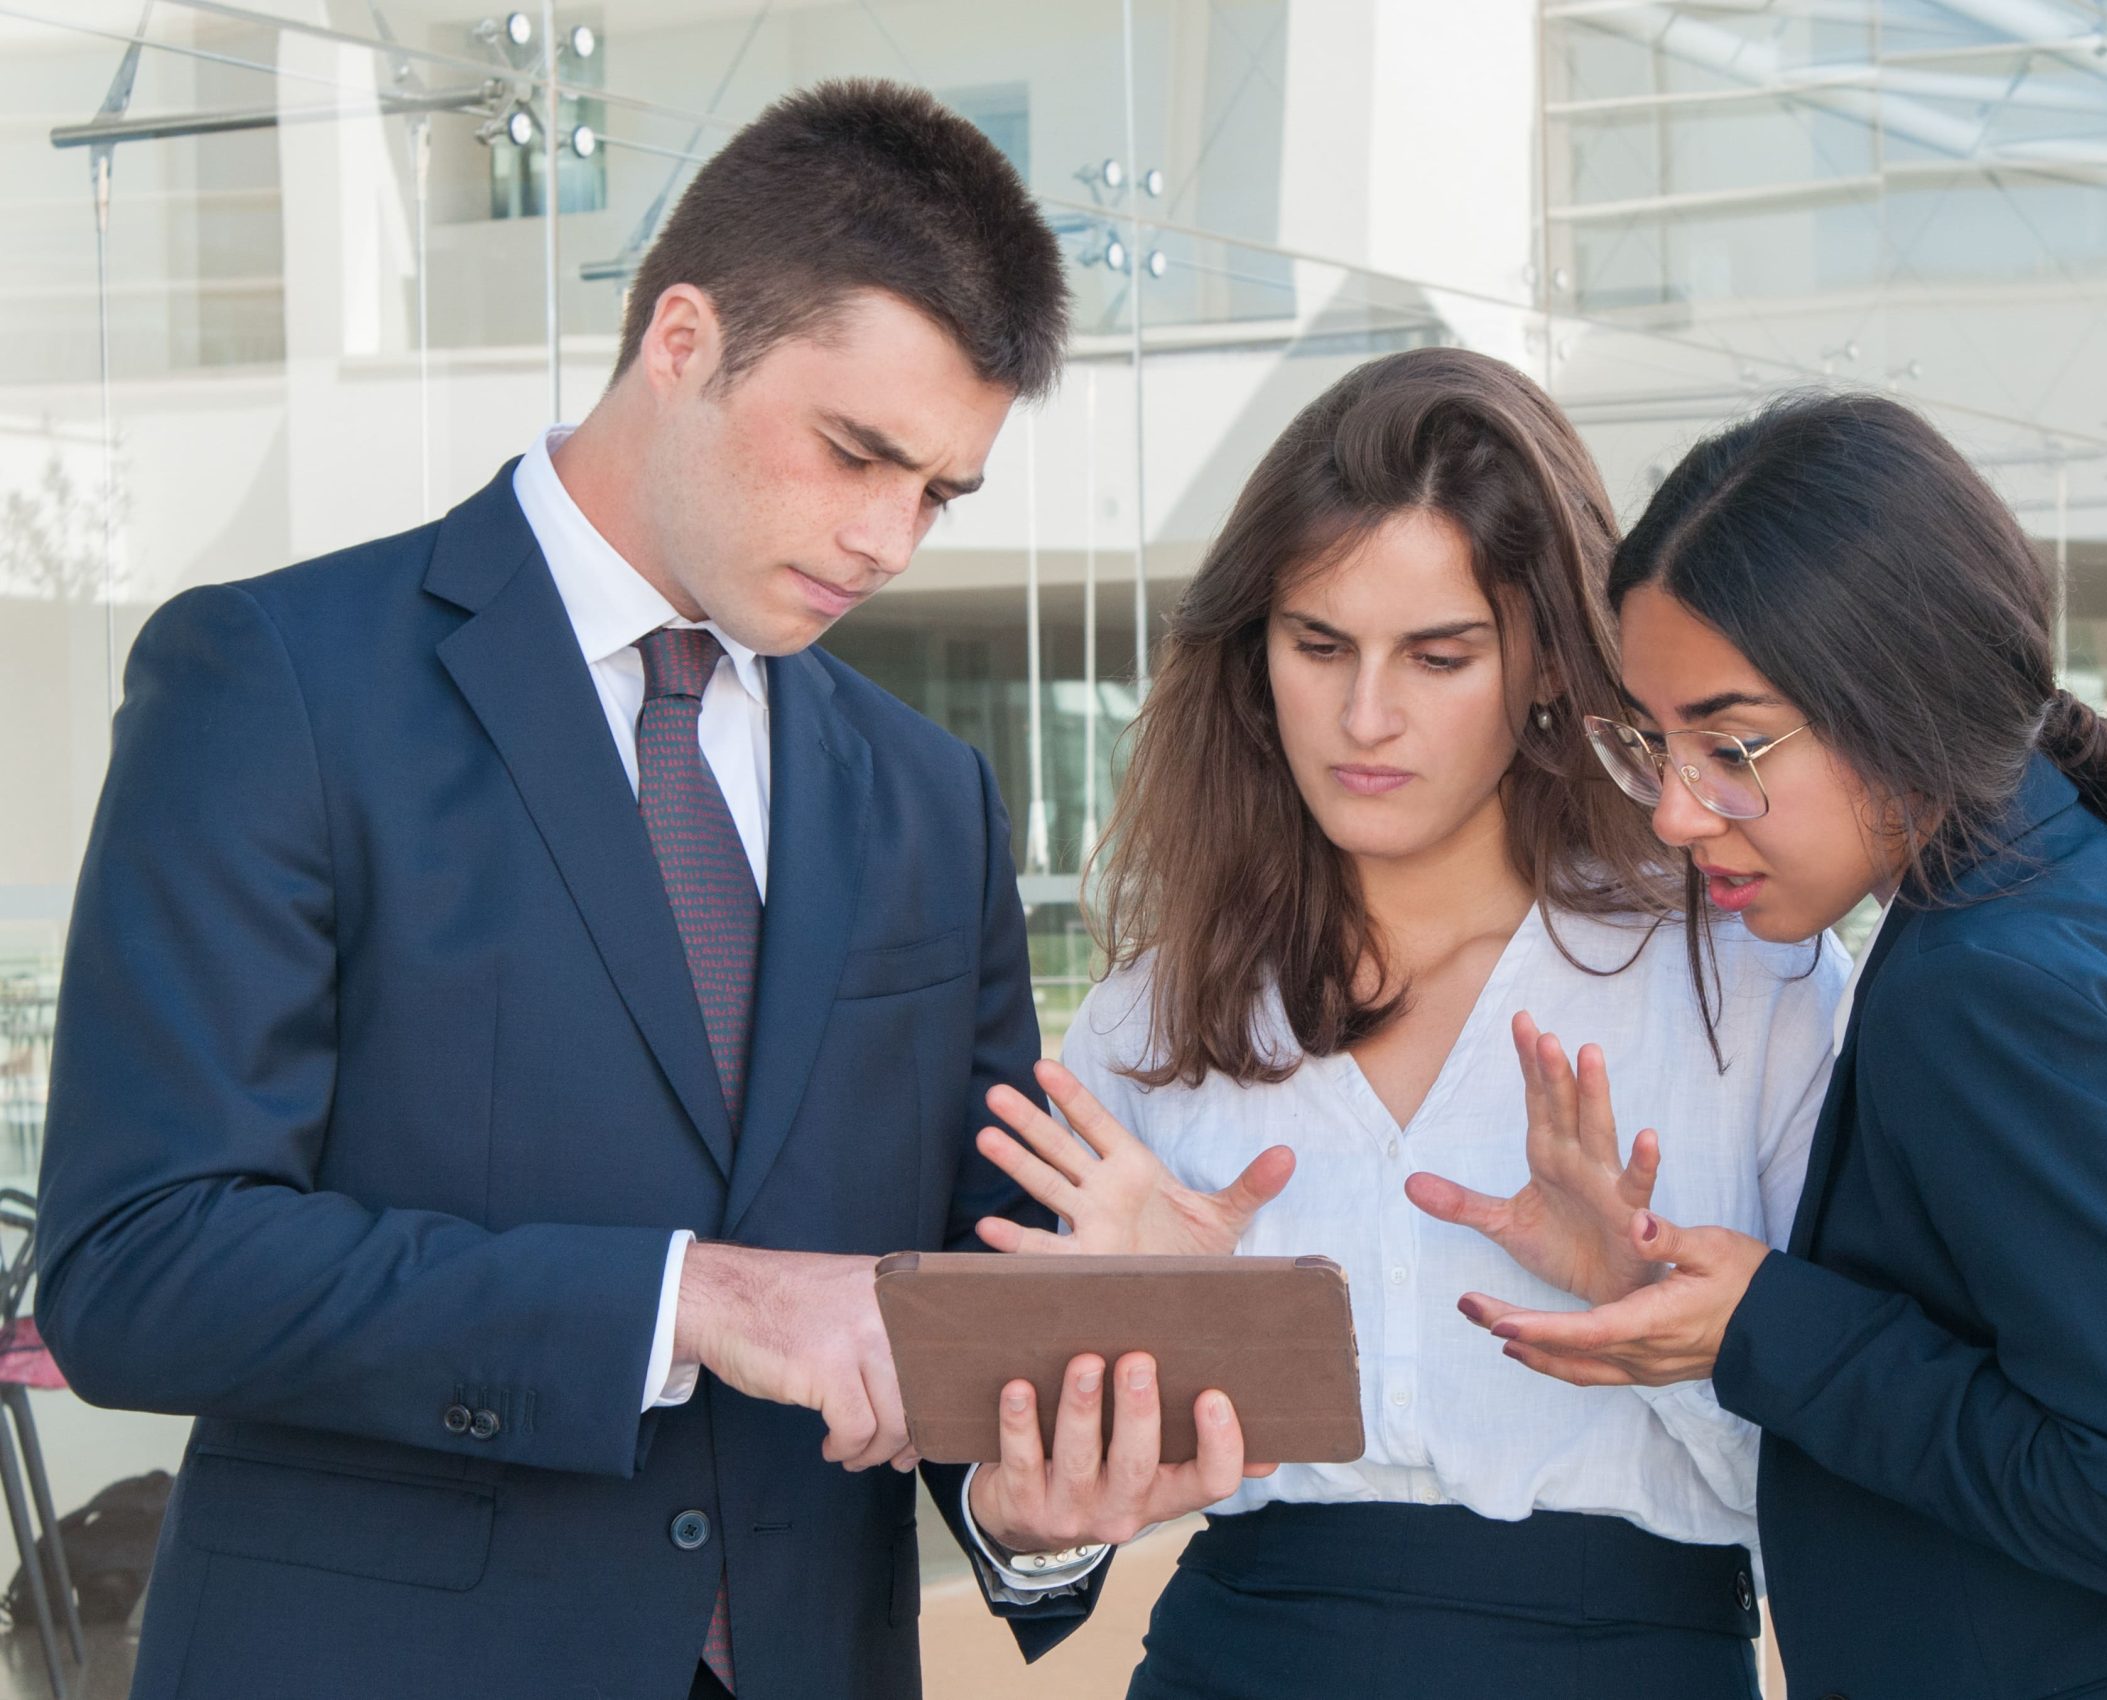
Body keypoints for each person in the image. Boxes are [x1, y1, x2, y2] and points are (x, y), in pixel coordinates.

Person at [34, 79, 1249, 1700]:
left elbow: (945, 1293)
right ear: (681, 340)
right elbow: (141, 1266)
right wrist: (689, 1302)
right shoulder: (277, 682)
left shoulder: (924, 791)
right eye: (855, 452)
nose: (889, 537)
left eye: (940, 493)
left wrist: (1038, 1507)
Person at [1470, 390, 2107, 1700]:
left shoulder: (1985, 987)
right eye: (1653, 742)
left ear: (1893, 689)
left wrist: (1768, 1332)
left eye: (1731, 745)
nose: (1678, 811)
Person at [970, 347, 1846, 1699]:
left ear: (1551, 663)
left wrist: (1651, 1315)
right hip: (1235, 1658)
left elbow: (1835, 1484)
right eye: (1318, 646)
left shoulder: (1744, 980)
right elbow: (1038, 1525)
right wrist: (1038, 1508)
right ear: (1255, 659)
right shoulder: (1159, 1012)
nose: (1365, 717)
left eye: (1439, 656)